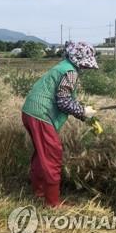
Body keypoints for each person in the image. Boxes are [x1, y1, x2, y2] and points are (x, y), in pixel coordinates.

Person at [21, 42, 98, 207]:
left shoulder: (64, 66)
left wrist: (84, 115)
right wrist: (82, 111)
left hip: (30, 112)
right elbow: (63, 101)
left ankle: (39, 192)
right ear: (79, 60)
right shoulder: (70, 72)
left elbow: (65, 99)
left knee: (41, 154)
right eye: (85, 64)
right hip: (41, 114)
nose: (86, 68)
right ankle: (53, 203)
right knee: (52, 155)